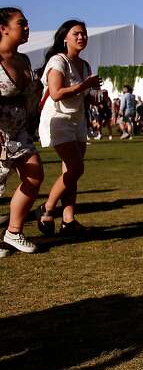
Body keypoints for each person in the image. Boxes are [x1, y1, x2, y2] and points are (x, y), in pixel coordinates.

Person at [36, 19, 101, 237]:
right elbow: (56, 93)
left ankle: (68, 220)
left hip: (78, 120)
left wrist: (92, 98)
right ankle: (47, 207)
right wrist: (85, 85)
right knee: (76, 168)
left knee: (70, 173)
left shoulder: (85, 65)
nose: (81, 37)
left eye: (84, 34)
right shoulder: (58, 61)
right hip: (58, 120)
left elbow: (81, 96)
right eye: (76, 34)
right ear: (65, 38)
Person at [0, 8, 43, 256]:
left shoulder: (23, 60)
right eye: (21, 24)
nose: (27, 28)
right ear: (3, 28)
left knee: (34, 174)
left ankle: (13, 231)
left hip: (19, 132)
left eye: (27, 24)